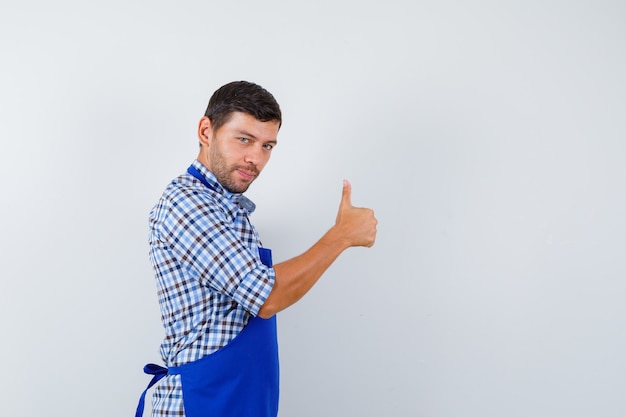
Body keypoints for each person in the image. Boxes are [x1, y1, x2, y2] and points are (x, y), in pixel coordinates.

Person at [135, 80, 377, 417]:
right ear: (206, 131)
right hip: (202, 402)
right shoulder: (187, 203)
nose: (255, 158)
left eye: (267, 146)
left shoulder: (227, 208)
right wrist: (341, 236)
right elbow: (266, 297)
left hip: (240, 400)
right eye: (244, 139)